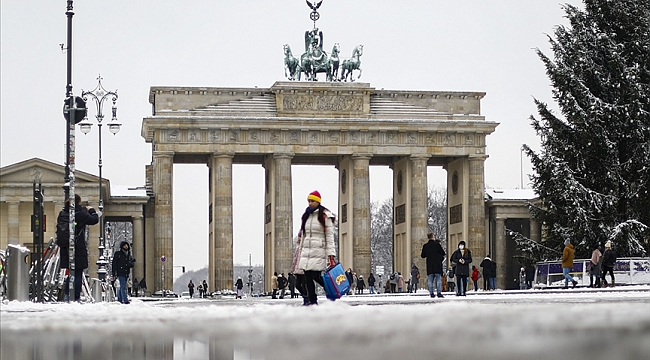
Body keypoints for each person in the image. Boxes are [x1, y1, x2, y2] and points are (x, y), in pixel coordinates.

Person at [296, 190, 337, 306]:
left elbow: (329, 235)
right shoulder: (306, 216)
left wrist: (331, 253)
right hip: (307, 250)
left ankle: (331, 290)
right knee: (307, 277)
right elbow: (304, 234)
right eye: (309, 201)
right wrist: (301, 248)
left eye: (312, 201)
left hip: (318, 249)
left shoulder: (325, 216)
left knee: (316, 276)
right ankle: (312, 301)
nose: (310, 203)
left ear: (318, 202)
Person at [58, 194, 100, 302]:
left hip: (65, 247)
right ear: (78, 202)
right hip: (77, 246)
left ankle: (67, 295)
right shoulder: (79, 214)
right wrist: (91, 210)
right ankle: (75, 297)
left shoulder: (62, 213)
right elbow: (94, 220)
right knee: (77, 273)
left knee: (70, 272)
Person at [421, 232, 446, 298]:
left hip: (430, 265)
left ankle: (431, 293)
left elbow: (423, 255)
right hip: (437, 265)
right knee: (438, 280)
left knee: (430, 280)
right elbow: (443, 253)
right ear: (433, 236)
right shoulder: (437, 244)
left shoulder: (425, 246)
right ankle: (439, 293)